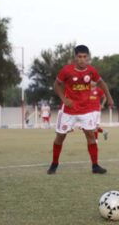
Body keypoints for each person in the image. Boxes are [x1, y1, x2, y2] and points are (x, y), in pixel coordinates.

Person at [47, 45, 114, 175]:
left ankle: (95, 166)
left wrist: (109, 98)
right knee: (60, 137)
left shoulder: (91, 70)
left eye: (84, 57)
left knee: (90, 135)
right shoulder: (66, 70)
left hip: (86, 109)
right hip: (69, 110)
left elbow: (102, 83)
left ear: (88, 57)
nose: (82, 60)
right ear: (75, 57)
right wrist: (64, 99)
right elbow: (56, 85)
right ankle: (54, 164)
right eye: (79, 57)